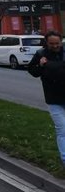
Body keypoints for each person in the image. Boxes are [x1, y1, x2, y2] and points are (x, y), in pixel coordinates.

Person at [28, 31, 65, 166]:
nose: (55, 46)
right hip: (53, 99)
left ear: (61, 41)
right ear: (47, 43)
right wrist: (40, 65)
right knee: (62, 129)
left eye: (57, 43)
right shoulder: (41, 54)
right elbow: (33, 72)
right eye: (52, 44)